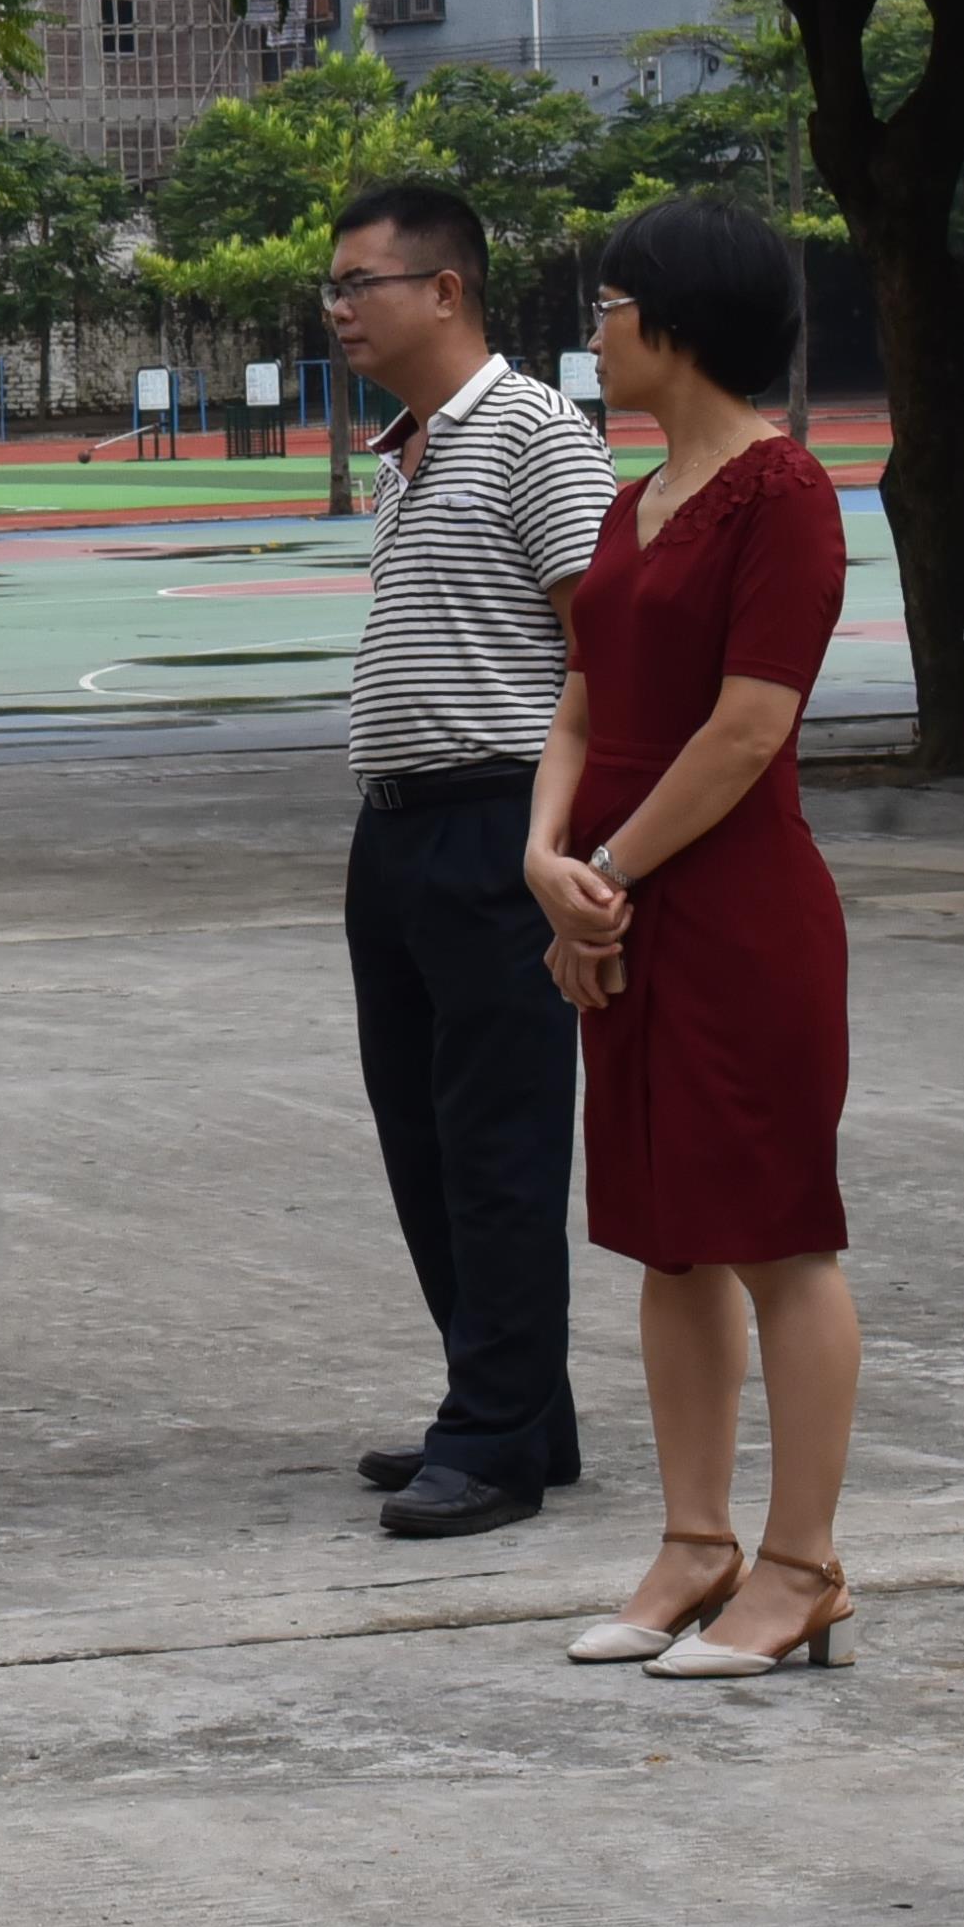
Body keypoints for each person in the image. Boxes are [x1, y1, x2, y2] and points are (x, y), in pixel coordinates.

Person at [527, 196, 865, 1682]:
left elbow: (747, 727)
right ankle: (691, 1540)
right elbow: (584, 699)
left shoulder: (781, 492)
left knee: (774, 1234)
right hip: (618, 893)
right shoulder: (630, 496)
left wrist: (596, 865)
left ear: (673, 321)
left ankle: (798, 1565)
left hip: (732, 909)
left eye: (609, 304)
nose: (595, 329)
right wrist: (545, 861)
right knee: (666, 1237)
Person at [320, 179, 624, 1541]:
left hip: (496, 817)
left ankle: (492, 1439)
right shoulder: (411, 450)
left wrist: (562, 847)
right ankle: (508, 1399)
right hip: (394, 827)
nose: (336, 309)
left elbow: (600, 653)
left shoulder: (532, 435)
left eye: (357, 284)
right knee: (422, 1137)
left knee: (495, 1141)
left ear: (443, 290)